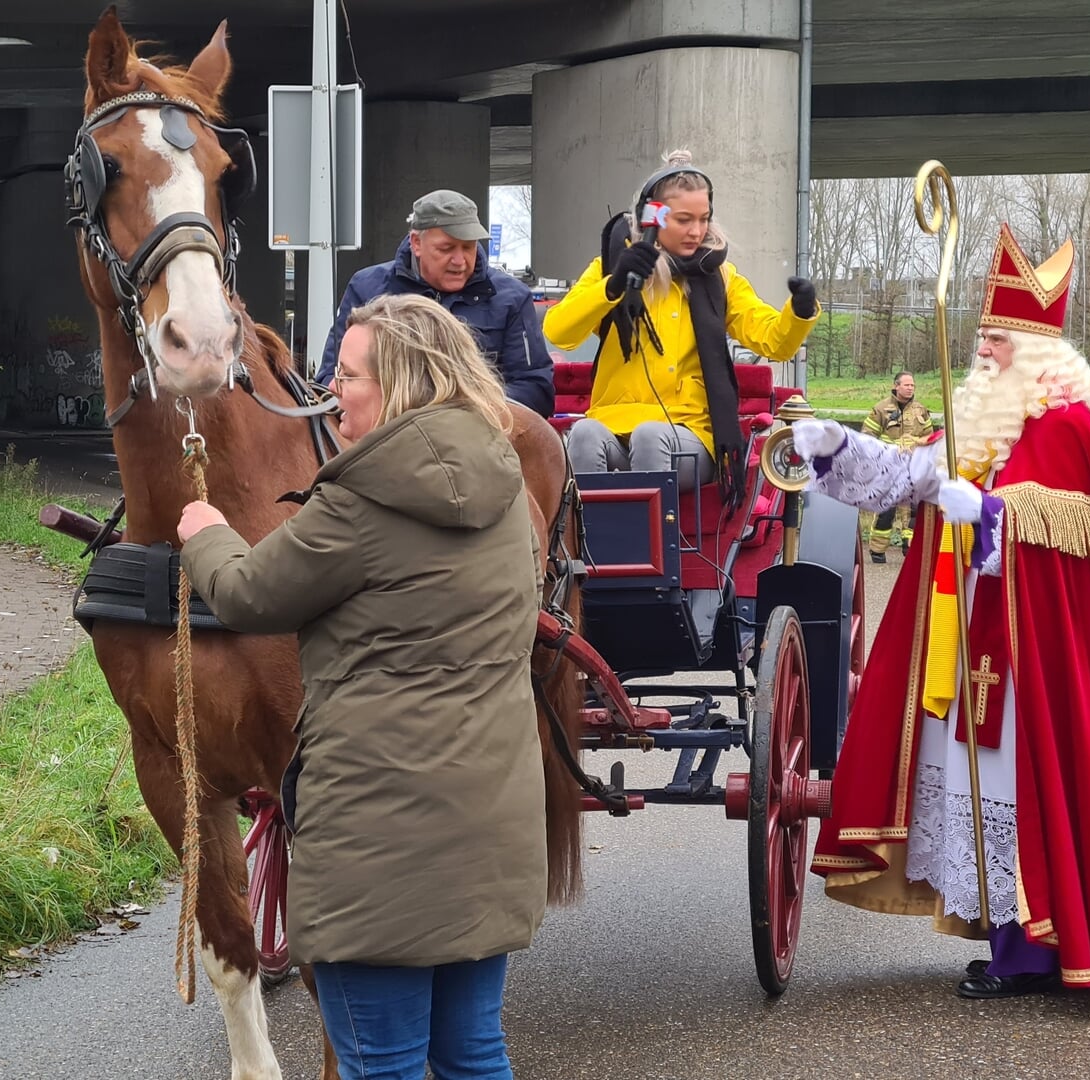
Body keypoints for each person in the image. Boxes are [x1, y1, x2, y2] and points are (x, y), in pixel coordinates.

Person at [794, 224, 1090, 1000]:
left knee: (1018, 785)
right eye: (982, 335)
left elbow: (1065, 537)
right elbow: (907, 477)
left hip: (1029, 646)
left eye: (998, 339)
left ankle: (1032, 952)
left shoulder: (1066, 425)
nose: (983, 349)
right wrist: (832, 447)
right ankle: (1011, 937)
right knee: (979, 786)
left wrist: (985, 511)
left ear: (1040, 351)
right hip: (968, 636)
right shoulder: (979, 423)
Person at [179, 294, 545, 1080]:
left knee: (382, 1064)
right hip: (489, 828)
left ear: (402, 383)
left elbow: (247, 595)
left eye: (348, 377)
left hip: (378, 845)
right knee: (473, 1053)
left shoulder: (358, 503)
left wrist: (205, 533)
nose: (330, 393)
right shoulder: (506, 488)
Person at [543, 150, 819, 498]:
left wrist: (799, 311)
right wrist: (613, 286)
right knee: (583, 433)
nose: (697, 231)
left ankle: (651, 537)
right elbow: (558, 332)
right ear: (652, 218)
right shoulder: (609, 269)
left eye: (704, 219)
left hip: (690, 434)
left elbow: (775, 342)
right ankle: (590, 535)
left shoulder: (722, 278)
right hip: (612, 425)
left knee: (650, 436)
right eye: (684, 220)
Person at [316, 189, 555, 419]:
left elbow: (536, 391)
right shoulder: (367, 288)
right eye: (447, 248)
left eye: (468, 247)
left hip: (477, 439)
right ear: (416, 243)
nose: (460, 260)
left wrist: (465, 412)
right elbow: (329, 379)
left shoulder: (511, 298)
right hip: (379, 437)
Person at [861, 371, 936, 562]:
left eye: (912, 385)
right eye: (906, 385)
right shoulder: (881, 409)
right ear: (896, 386)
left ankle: (909, 549)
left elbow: (930, 438)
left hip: (913, 468)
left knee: (913, 511)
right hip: (889, 469)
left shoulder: (921, 410)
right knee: (886, 511)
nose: (910, 388)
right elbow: (868, 437)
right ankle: (877, 551)